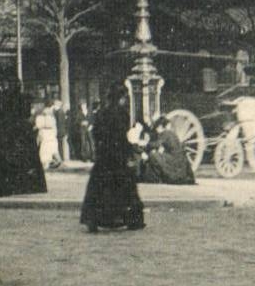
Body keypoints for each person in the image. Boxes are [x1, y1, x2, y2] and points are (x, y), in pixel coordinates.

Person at [80, 85, 145, 233]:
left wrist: (100, 149)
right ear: (121, 98)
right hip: (118, 157)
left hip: (104, 157)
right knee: (125, 188)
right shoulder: (122, 114)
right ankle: (130, 220)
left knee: (99, 189)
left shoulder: (101, 113)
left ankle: (93, 219)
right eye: (124, 98)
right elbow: (121, 137)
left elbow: (96, 134)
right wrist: (128, 152)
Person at [0, 77, 47, 195]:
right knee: (28, 157)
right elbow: (28, 113)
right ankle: (30, 184)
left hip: (12, 128)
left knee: (13, 155)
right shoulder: (25, 98)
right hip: (24, 129)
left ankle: (14, 184)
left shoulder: (6, 98)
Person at [142, 116, 196, 185]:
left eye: (156, 128)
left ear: (160, 127)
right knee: (158, 155)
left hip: (174, 160)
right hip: (180, 160)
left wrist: (145, 144)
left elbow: (157, 144)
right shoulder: (171, 133)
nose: (156, 131)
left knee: (153, 155)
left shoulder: (165, 133)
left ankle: (161, 177)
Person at [35, 100, 60, 171]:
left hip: (49, 135)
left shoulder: (50, 117)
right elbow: (40, 125)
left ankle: (50, 162)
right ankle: (46, 163)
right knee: (45, 149)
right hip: (46, 135)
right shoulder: (42, 117)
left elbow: (52, 126)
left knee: (49, 148)